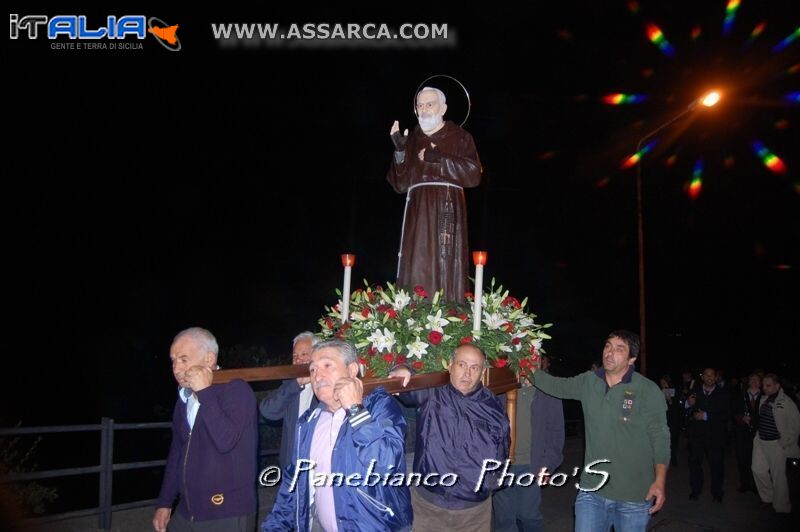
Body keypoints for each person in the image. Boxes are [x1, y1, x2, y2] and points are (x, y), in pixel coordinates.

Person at [262, 339, 412, 531]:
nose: (317, 376)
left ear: (352, 370)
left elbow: (387, 465)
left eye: (327, 365)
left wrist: (355, 410)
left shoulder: (378, 406)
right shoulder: (308, 422)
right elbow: (293, 487)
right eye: (313, 369)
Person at [528, 330, 669, 532]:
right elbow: (555, 385)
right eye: (608, 346)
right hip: (591, 491)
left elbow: (660, 437)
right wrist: (523, 362)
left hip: (634, 497)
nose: (610, 353)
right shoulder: (589, 382)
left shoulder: (647, 390)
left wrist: (660, 481)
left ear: (632, 359)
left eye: (619, 349)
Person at [389, 344, 509, 532]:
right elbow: (406, 387)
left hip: (474, 512)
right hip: (429, 506)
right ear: (451, 365)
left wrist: (488, 486)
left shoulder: (492, 407)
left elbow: (502, 451)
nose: (467, 374)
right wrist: (401, 369)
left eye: (474, 367)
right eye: (462, 365)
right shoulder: (431, 394)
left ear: (482, 372)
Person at [153, 327, 258, 532]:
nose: (176, 368)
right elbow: (177, 452)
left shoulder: (236, 390)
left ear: (209, 359)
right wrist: (165, 502)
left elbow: (226, 440)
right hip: (186, 511)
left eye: (184, 359)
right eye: (173, 360)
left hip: (227, 513)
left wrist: (205, 392)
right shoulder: (183, 399)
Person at [387, 86, 481, 303]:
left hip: (445, 209)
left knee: (443, 264)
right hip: (417, 212)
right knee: (415, 263)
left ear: (443, 108)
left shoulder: (459, 137)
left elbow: (474, 174)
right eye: (420, 105)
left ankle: (447, 314)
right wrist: (400, 152)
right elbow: (400, 185)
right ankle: (411, 315)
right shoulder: (411, 139)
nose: (424, 110)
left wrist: (439, 159)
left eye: (430, 104)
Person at [493, 372, 564, 532]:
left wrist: (549, 465)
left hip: (532, 466)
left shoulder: (548, 391)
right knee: (504, 520)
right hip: (502, 467)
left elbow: (556, 432)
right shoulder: (502, 388)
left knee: (529, 516)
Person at [259, 332, 319, 471]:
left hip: (318, 466)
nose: (298, 360)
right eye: (295, 356)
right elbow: (267, 411)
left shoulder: (326, 386)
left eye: (304, 354)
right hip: (291, 466)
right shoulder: (290, 385)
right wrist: (296, 385)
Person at [751, 373, 800, 514]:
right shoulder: (764, 398)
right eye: (764, 385)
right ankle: (768, 497)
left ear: (777, 386)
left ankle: (782, 506)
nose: (765, 388)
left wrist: (786, 442)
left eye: (768, 385)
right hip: (760, 440)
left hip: (776, 443)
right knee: (757, 469)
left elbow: (796, 425)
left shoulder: (786, 402)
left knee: (778, 476)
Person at [685, 367, 730, 502]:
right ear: (702, 377)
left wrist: (706, 416)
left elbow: (727, 414)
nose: (709, 378)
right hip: (696, 435)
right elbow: (684, 410)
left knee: (716, 466)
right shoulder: (695, 391)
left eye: (712, 375)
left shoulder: (723, 393)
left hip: (715, 436)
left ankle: (717, 492)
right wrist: (688, 403)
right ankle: (695, 490)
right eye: (706, 375)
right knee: (694, 464)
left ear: (716, 377)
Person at [733, 373, 761, 493]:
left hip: (759, 433)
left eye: (757, 379)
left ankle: (756, 485)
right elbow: (732, 411)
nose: (754, 381)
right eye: (752, 379)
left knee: (757, 461)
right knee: (742, 459)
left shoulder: (765, 396)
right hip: (743, 432)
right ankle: (744, 483)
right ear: (748, 382)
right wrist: (741, 417)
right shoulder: (740, 395)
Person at [659, 375, 684, 468]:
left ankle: (673, 459)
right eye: (661, 383)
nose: (663, 384)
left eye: (664, 382)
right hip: (664, 419)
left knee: (673, 440)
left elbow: (678, 406)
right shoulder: (659, 391)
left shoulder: (675, 391)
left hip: (674, 419)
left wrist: (670, 401)